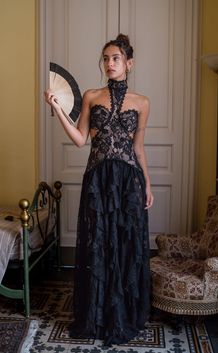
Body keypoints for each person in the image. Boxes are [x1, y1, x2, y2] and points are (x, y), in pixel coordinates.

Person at [45, 34, 154, 346]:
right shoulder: (92, 96)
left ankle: (123, 314)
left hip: (129, 182)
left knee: (125, 246)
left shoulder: (142, 102)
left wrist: (146, 183)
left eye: (116, 58)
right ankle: (97, 315)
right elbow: (80, 140)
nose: (109, 63)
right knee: (98, 245)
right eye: (105, 58)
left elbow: (139, 148)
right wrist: (58, 110)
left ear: (128, 63)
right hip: (98, 181)